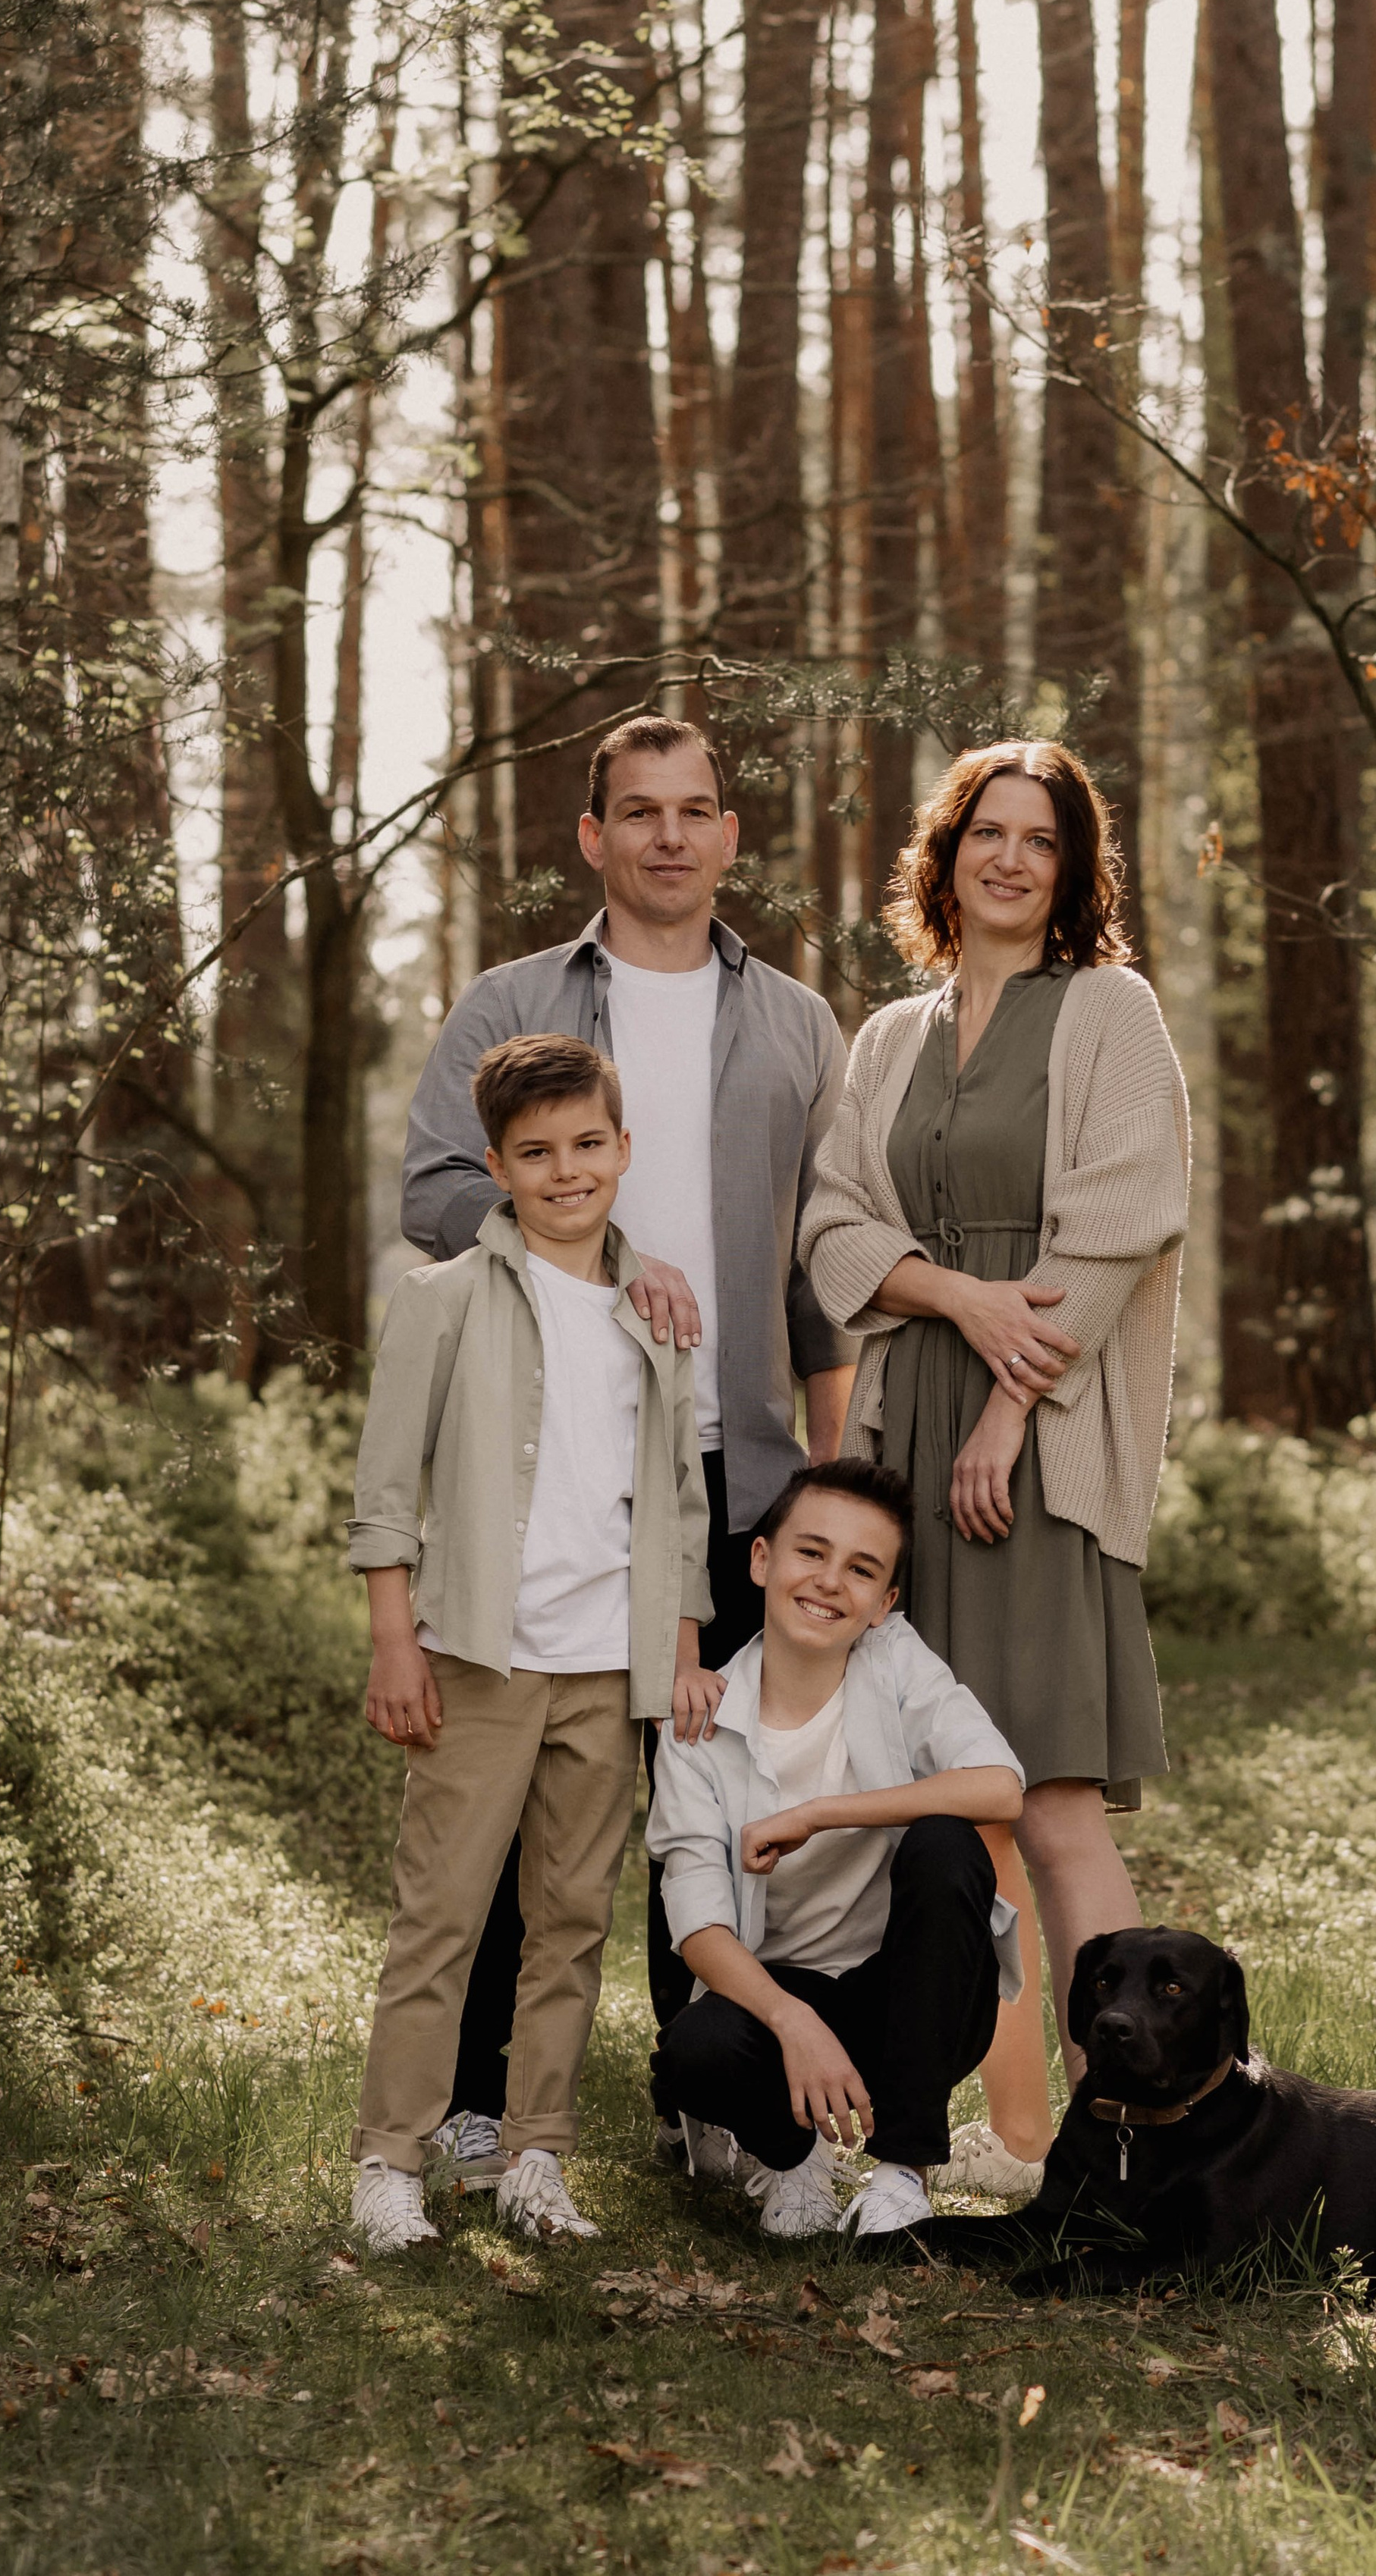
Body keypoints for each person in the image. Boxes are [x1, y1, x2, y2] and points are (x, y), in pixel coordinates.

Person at [400, 715, 856, 2179]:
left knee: (703, 1796)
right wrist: (611, 1252)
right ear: (592, 836)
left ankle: (698, 2092)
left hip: (739, 1469)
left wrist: (832, 1478)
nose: (670, 834)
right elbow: (429, 1190)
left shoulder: (798, 1022)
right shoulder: (514, 1000)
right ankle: (472, 2098)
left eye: (697, 809)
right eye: (639, 811)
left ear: (731, 835)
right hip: (548, 1472)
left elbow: (815, 1268)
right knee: (520, 1795)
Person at [799, 741, 1189, 2202]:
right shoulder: (888, 1037)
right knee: (942, 1802)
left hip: (1042, 1437)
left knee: (1051, 1800)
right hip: (907, 1436)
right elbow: (837, 1224)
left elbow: (1125, 1217)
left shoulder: (1109, 1011)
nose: (1012, 859)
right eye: (987, 832)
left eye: (1043, 839)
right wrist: (956, 1305)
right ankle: (1008, 2134)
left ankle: (1129, 2135)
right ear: (946, 856)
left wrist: (1009, 1408)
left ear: (1074, 872)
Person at [345, 1032, 713, 2254]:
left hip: (608, 1672)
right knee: (443, 1917)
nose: (568, 1171)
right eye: (538, 1152)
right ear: (496, 1165)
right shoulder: (443, 1300)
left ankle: (535, 2157)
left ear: (623, 1148)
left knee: (570, 1924)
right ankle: (390, 2159)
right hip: (482, 1661)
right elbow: (386, 1489)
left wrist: (681, 1652)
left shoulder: (656, 1313)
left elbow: (679, 1500)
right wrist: (398, 1643)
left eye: (589, 1145)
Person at [647, 1460, 1025, 2240]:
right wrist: (793, 2023)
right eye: (809, 1553)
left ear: (884, 1604)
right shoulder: (699, 1725)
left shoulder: (895, 1664)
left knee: (946, 1842)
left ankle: (902, 2173)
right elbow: (697, 1929)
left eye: (861, 1569)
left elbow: (999, 1786)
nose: (828, 1583)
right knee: (695, 2050)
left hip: (915, 1997)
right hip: (783, 1990)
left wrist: (820, 1814)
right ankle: (793, 2158)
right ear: (762, 1561)